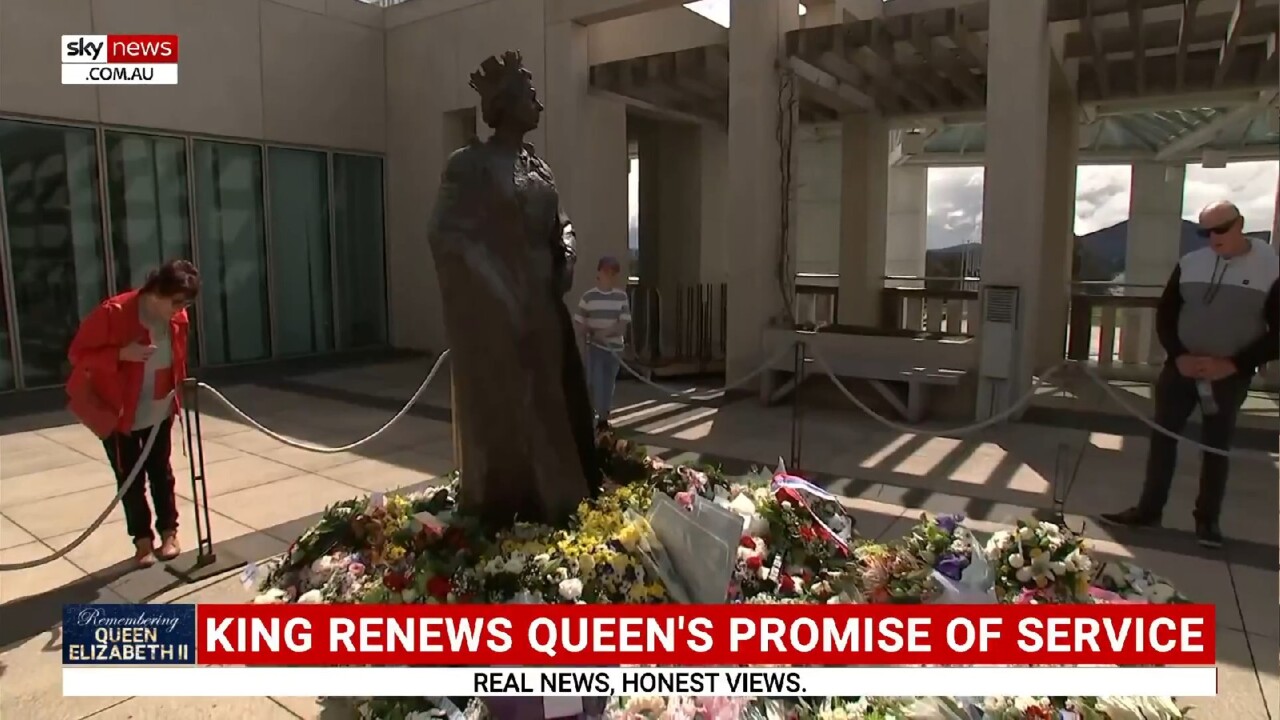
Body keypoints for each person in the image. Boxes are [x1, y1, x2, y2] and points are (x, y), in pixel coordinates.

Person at [427, 50, 603, 527]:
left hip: (543, 304)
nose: (538, 102)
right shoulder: (470, 164)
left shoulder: (539, 166)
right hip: (499, 308)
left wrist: (566, 254)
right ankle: (517, 501)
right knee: (513, 404)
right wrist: (494, 286)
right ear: (505, 104)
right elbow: (446, 233)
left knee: (551, 399)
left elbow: (560, 222)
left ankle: (561, 497)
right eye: (530, 94)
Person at [1100, 201, 1278, 548]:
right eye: (1205, 232)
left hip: (1228, 376)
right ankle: (1149, 510)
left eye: (1220, 230)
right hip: (1180, 371)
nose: (1213, 238)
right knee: (1162, 438)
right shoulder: (1191, 263)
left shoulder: (1271, 267)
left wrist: (1234, 365)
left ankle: (1207, 521)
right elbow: (1166, 314)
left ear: (1240, 224)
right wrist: (1178, 356)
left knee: (1216, 446)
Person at [67, 260, 199, 567]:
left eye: (186, 302)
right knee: (129, 477)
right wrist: (120, 354)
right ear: (157, 291)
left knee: (161, 473)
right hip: (117, 413)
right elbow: (77, 354)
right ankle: (142, 541)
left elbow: (177, 360)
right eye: (177, 301)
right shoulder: (114, 313)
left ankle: (169, 532)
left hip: (157, 409)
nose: (181, 308)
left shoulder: (178, 319)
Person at [575, 256, 631, 430]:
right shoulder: (589, 297)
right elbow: (579, 322)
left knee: (608, 384)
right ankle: (593, 416)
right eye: (606, 271)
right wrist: (588, 330)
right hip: (596, 349)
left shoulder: (621, 297)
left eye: (613, 272)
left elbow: (621, 325)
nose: (610, 275)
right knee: (595, 382)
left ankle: (603, 419)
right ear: (599, 272)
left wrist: (601, 333)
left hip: (614, 349)